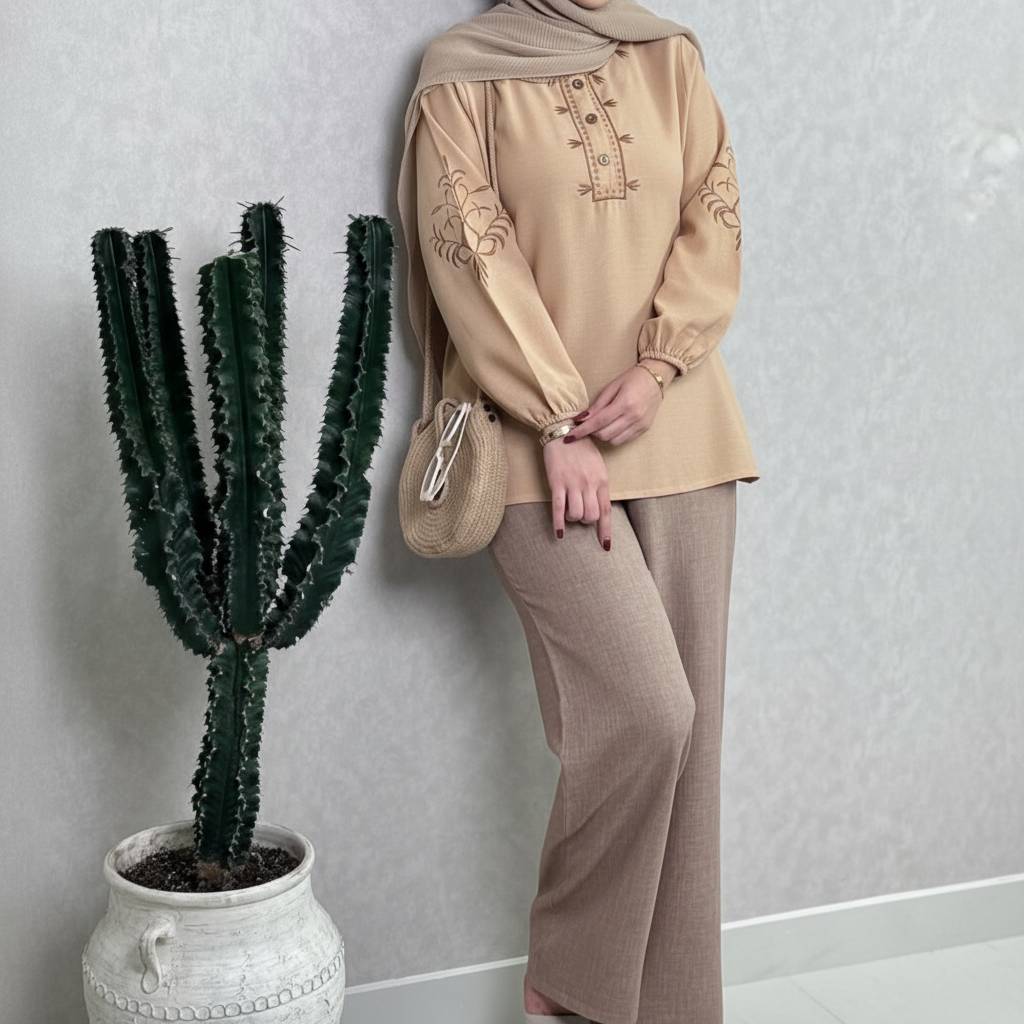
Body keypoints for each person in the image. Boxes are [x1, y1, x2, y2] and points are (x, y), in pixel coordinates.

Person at [396, 2, 760, 1022]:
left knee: (691, 748)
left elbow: (713, 217)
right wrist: (557, 417)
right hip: (531, 443)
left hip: (680, 428)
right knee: (645, 713)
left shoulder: (668, 55)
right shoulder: (461, 73)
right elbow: (469, 254)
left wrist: (658, 368)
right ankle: (568, 990)